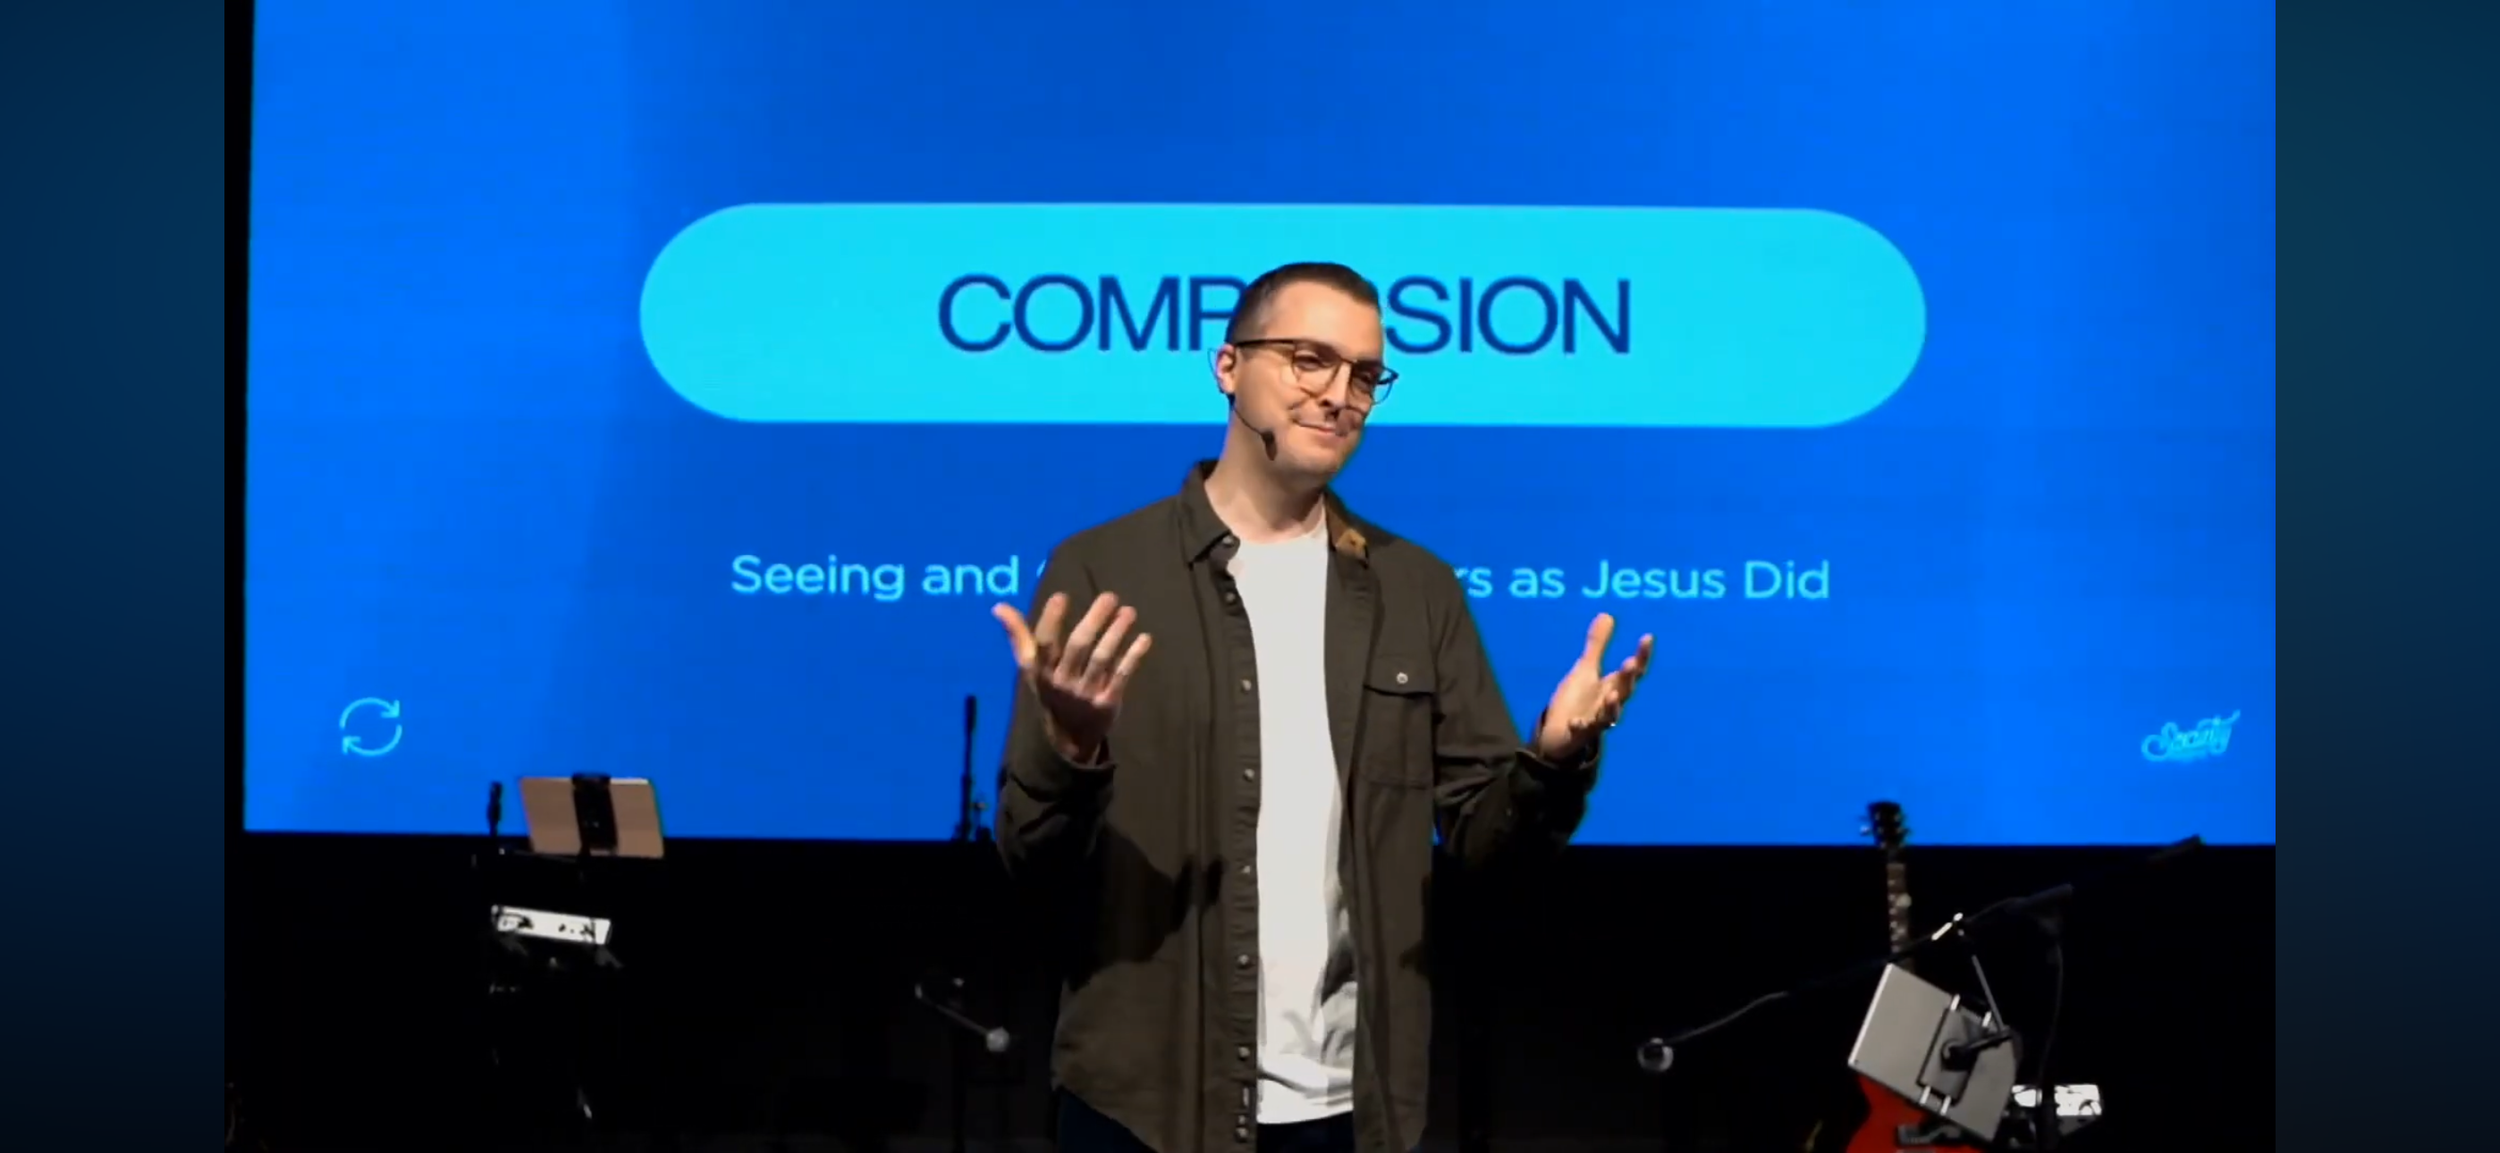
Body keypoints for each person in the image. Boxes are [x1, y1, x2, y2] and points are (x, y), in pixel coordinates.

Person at [989, 262, 1654, 1153]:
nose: (1340, 394)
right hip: (1147, 1108)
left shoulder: (1417, 591)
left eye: (1365, 374)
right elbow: (1032, 866)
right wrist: (1071, 750)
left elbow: (1486, 848)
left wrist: (1554, 757)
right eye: (1309, 360)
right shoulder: (1106, 570)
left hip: (1352, 1110)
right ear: (1229, 366)